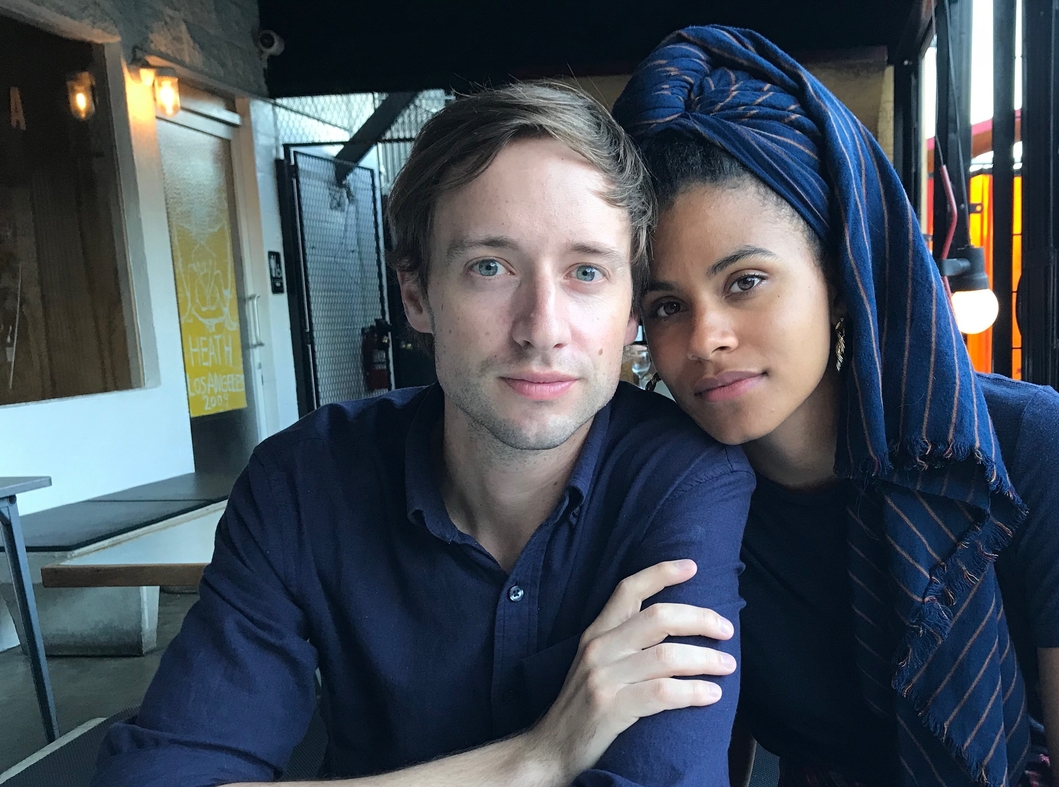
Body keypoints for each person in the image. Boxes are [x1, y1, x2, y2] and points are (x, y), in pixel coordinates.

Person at [92, 82, 754, 787]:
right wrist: (536, 757)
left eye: (586, 271)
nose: (542, 327)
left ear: (632, 314)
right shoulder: (304, 481)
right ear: (416, 294)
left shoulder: (682, 478)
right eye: (489, 267)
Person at [614, 27, 1059, 787]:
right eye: (667, 305)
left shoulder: (1034, 450)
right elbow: (701, 756)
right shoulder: (677, 494)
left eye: (745, 281)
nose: (705, 337)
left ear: (839, 273)